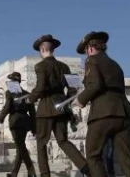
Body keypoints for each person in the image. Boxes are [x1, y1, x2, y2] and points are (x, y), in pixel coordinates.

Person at [73, 31, 130, 177]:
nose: (86, 54)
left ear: (90, 49)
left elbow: (95, 85)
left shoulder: (91, 61)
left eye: (86, 51)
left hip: (103, 114)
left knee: (93, 156)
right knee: (127, 159)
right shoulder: (115, 64)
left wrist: (81, 99)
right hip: (124, 114)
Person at [27, 34, 89, 177]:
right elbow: (73, 88)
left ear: (42, 50)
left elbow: (40, 87)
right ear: (52, 49)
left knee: (41, 143)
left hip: (46, 108)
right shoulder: (64, 66)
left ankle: (45, 174)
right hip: (61, 108)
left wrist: (30, 98)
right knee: (63, 141)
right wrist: (66, 101)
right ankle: (86, 168)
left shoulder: (40, 66)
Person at [0, 71, 36, 177]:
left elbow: (8, 106)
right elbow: (32, 112)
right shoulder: (26, 93)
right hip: (25, 122)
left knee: (21, 146)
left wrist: (1, 117)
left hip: (15, 121)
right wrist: (34, 127)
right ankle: (14, 173)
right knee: (20, 147)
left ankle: (31, 169)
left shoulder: (9, 92)